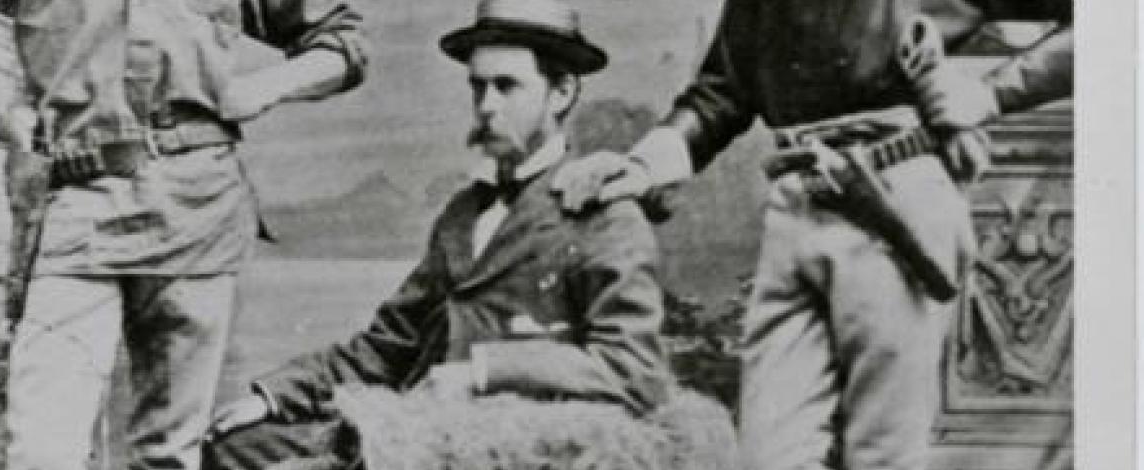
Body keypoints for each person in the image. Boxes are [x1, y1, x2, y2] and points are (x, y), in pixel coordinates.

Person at [547, 1, 1070, 469]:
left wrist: (990, 93)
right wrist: (643, 167)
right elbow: (721, 93)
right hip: (794, 206)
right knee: (769, 457)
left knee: (882, 454)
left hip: (892, 200)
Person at [203, 0, 673, 467]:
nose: (487, 107)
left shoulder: (603, 217)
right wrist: (273, 396)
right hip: (422, 434)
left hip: (515, 450)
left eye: (507, 86)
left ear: (562, 92)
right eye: (478, 87)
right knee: (232, 449)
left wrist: (483, 371)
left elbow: (634, 372)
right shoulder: (464, 215)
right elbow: (387, 346)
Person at [0, 0, 367, 469]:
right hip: (75, 212)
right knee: (42, 450)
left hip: (195, 215)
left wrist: (264, 88)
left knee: (169, 454)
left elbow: (344, 42)